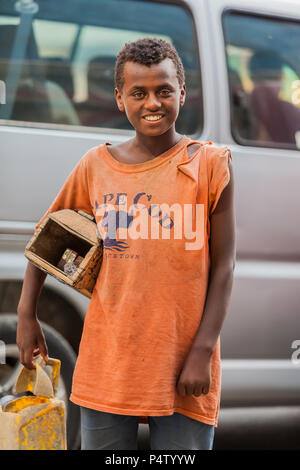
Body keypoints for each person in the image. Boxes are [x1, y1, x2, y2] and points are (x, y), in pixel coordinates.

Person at [16, 37, 236, 450]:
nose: (152, 102)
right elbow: (46, 240)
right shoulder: (96, 166)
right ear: (120, 99)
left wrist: (203, 352)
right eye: (139, 93)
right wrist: (26, 314)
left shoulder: (209, 165)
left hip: (186, 365)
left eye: (163, 90)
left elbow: (224, 267)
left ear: (182, 93)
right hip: (109, 364)